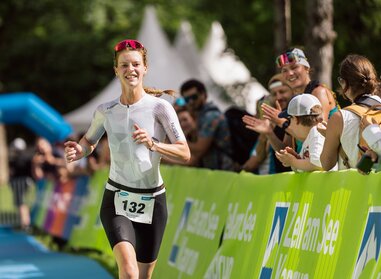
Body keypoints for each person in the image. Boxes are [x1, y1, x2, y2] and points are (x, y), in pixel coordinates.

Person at [64, 39, 190, 279]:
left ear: (144, 68)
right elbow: (89, 142)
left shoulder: (160, 108)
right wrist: (79, 152)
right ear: (116, 71)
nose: (130, 69)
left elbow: (185, 153)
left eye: (135, 64)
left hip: (153, 201)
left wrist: (153, 143)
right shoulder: (105, 110)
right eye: (124, 65)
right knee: (129, 273)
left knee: (143, 277)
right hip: (117, 198)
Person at [321, 54, 381, 170]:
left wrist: (330, 136)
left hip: (358, 185)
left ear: (344, 82)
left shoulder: (340, 117)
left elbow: (326, 164)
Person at [242, 73, 294, 173]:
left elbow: (254, 163)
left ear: (292, 91)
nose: (278, 97)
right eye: (274, 94)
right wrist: (267, 132)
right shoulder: (271, 124)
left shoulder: (297, 116)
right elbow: (258, 157)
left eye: (282, 91)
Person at [180, 79, 235, 171]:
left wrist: (175, 142)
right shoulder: (199, 116)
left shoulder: (211, 116)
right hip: (212, 171)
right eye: (187, 99)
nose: (191, 102)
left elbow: (199, 149)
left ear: (204, 95)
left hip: (223, 171)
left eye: (194, 97)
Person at [275, 47, 338, 121]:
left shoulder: (318, 92)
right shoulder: (296, 99)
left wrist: (283, 124)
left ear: (307, 68)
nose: (290, 73)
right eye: (284, 70)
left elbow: (320, 130)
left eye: (294, 67)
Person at [275, 94, 334, 172]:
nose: (290, 124)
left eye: (289, 119)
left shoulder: (316, 132)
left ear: (296, 119)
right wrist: (297, 158)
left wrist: (293, 161)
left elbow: (318, 163)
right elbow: (310, 164)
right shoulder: (312, 135)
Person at [8, 137, 34, 230]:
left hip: (20, 182)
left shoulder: (18, 159)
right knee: (22, 203)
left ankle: (25, 224)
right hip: (24, 182)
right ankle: (24, 222)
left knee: (21, 203)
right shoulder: (26, 157)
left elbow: (13, 172)